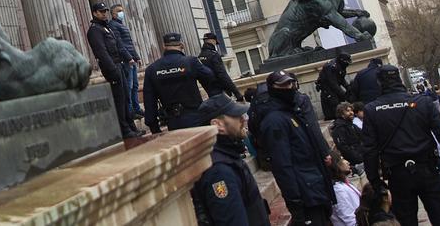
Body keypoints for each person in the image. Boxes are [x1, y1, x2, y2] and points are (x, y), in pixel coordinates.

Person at [361, 65, 440, 226]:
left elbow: (369, 150)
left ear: (379, 83)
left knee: (406, 220)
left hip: (398, 174)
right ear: (399, 79)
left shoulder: (372, 110)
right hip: (426, 169)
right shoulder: (423, 102)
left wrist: (375, 181)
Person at [259, 70, 335, 226]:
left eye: (290, 83)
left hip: (316, 188)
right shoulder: (274, 121)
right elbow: (282, 165)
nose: (290, 87)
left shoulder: (292, 112)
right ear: (273, 88)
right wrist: (296, 203)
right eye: (284, 85)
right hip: (306, 195)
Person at [192, 94, 269, 225]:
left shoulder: (228, 155)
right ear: (217, 125)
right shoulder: (219, 171)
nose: (243, 119)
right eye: (236, 116)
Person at [86, 2, 141, 138]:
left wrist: (129, 58)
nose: (104, 13)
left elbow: (119, 46)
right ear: (95, 13)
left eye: (105, 11)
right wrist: (112, 70)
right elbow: (102, 52)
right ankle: (124, 130)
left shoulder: (106, 28)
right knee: (119, 99)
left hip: (120, 65)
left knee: (126, 97)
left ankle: (131, 127)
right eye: (101, 11)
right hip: (112, 67)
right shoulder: (94, 30)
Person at [142, 33, 215, 132]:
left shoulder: (151, 69)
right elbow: (209, 75)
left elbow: (149, 101)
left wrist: (154, 128)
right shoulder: (191, 62)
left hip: (173, 121)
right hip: (196, 117)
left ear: (164, 46)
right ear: (182, 45)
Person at [108, 3, 145, 119]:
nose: (121, 13)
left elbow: (129, 44)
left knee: (134, 86)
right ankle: (130, 111)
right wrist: (129, 58)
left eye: (122, 10)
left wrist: (136, 57)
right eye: (119, 11)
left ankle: (136, 109)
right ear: (113, 14)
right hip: (126, 61)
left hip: (131, 59)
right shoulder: (113, 25)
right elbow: (120, 44)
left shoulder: (121, 25)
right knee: (128, 87)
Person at [198, 31, 244, 101]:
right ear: (213, 41)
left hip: (210, 92)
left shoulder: (200, 57)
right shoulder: (214, 55)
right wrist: (236, 93)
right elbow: (222, 74)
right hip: (221, 91)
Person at [328, 150, 360, 226]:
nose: (347, 162)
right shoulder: (337, 190)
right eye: (342, 159)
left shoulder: (343, 184)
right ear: (336, 164)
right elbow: (347, 217)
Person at [316, 53, 352, 122]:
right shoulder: (331, 67)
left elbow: (341, 78)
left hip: (333, 87)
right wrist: (344, 95)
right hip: (327, 89)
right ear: (342, 60)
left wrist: (348, 88)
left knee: (337, 103)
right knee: (334, 106)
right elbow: (333, 83)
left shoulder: (340, 66)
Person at [330, 102, 364, 172]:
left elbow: (364, 135)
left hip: (362, 157)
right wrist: (359, 157)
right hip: (355, 162)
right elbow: (343, 147)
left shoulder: (352, 125)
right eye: (347, 111)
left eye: (351, 110)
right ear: (341, 114)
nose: (351, 112)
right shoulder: (339, 128)